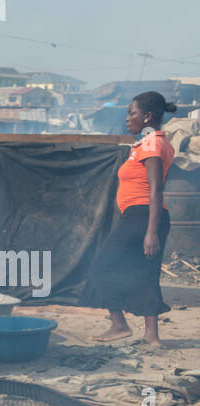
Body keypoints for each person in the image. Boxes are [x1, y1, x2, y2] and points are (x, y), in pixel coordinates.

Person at [83, 91, 178, 346]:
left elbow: (156, 187)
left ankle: (119, 324)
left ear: (147, 116)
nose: (127, 119)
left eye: (132, 113)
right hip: (146, 216)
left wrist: (151, 231)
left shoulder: (151, 144)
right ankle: (152, 336)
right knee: (146, 273)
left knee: (100, 267)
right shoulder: (153, 142)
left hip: (143, 216)